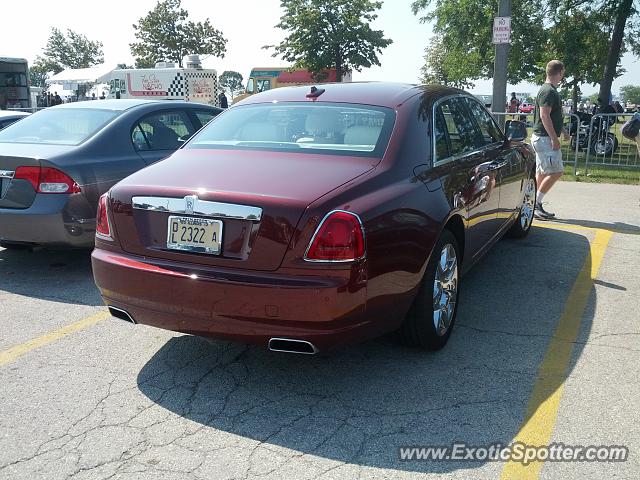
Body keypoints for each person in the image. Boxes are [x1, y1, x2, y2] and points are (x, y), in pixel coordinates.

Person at [531, 60, 567, 219]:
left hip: (543, 138)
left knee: (542, 173)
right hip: (545, 139)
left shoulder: (549, 90)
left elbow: (553, 115)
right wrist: (554, 138)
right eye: (563, 73)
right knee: (556, 172)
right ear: (559, 73)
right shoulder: (548, 91)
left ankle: (532, 203)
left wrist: (563, 130)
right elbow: (544, 115)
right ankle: (536, 204)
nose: (563, 76)